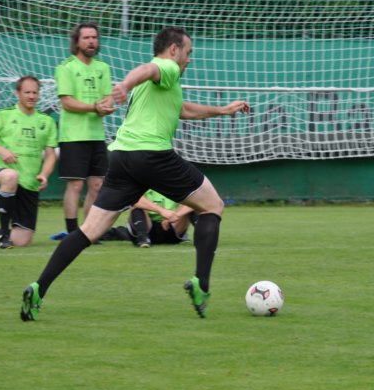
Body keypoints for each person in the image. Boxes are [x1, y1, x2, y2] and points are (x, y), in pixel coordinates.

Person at [19, 26, 250, 321]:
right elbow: (147, 69)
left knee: (89, 230)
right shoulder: (166, 67)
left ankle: (39, 288)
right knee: (213, 206)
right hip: (152, 155)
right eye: (188, 52)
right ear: (174, 50)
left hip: (121, 158)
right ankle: (201, 285)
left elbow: (181, 109)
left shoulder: (160, 85)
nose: (189, 59)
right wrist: (125, 84)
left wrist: (222, 111)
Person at [0, 75, 58, 249]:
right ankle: (4, 237)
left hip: (30, 185)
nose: (31, 96)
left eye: (35, 92)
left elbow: (50, 155)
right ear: (17, 93)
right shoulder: (4, 116)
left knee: (22, 241)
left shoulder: (47, 122)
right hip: (4, 176)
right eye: (27, 92)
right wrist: (1, 150)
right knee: (11, 176)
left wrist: (44, 174)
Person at [49, 22, 115, 241]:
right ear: (77, 42)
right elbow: (67, 102)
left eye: (94, 37)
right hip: (73, 136)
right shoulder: (66, 67)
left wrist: (106, 106)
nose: (91, 41)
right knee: (75, 185)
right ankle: (71, 232)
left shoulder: (103, 68)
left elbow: (107, 98)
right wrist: (94, 107)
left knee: (97, 186)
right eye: (86, 38)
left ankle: (88, 232)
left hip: (97, 135)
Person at [103, 189, 197, 248]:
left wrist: (177, 215)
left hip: (172, 226)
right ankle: (143, 238)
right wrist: (161, 211)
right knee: (136, 206)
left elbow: (196, 199)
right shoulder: (142, 177)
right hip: (148, 226)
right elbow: (133, 199)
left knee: (194, 206)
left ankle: (202, 238)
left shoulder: (179, 180)